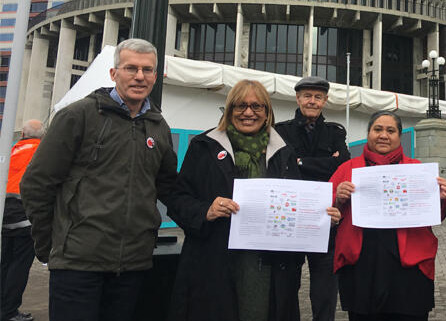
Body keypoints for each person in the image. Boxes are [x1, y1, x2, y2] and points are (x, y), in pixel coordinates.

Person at [20, 39, 178, 321]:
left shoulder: (158, 126)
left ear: (155, 76)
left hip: (132, 267)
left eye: (147, 70)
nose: (139, 76)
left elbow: (167, 188)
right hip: (78, 267)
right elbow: (37, 184)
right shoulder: (78, 116)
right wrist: (51, 246)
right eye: (131, 68)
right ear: (114, 73)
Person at [168, 79, 340, 321]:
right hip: (215, 262)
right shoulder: (204, 147)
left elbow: (294, 204)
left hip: (270, 268)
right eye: (240, 106)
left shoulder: (283, 152)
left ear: (267, 112)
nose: (248, 112)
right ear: (229, 110)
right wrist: (205, 210)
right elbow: (177, 198)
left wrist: (322, 218)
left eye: (257, 107)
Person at [331, 111, 446, 321]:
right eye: (378, 129)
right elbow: (327, 212)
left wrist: (440, 198)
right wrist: (338, 199)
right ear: (369, 133)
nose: (383, 135)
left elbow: (437, 216)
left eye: (390, 130)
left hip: (409, 269)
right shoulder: (346, 169)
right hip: (361, 267)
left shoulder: (418, 170)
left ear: (399, 135)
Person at [274, 76, 350, 321]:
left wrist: (300, 162)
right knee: (285, 288)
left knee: (325, 290)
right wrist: (325, 164)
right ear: (298, 98)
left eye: (318, 97)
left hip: (325, 219)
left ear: (325, 101)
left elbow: (343, 164)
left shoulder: (335, 131)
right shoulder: (280, 130)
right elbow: (281, 166)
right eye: (307, 96)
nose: (312, 101)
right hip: (291, 220)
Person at [2, 119, 44, 321]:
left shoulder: (11, 150)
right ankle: (9, 311)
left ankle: (4, 308)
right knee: (19, 266)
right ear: (42, 137)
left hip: (4, 214)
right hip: (26, 217)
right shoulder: (43, 152)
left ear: (22, 135)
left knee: (5, 263)